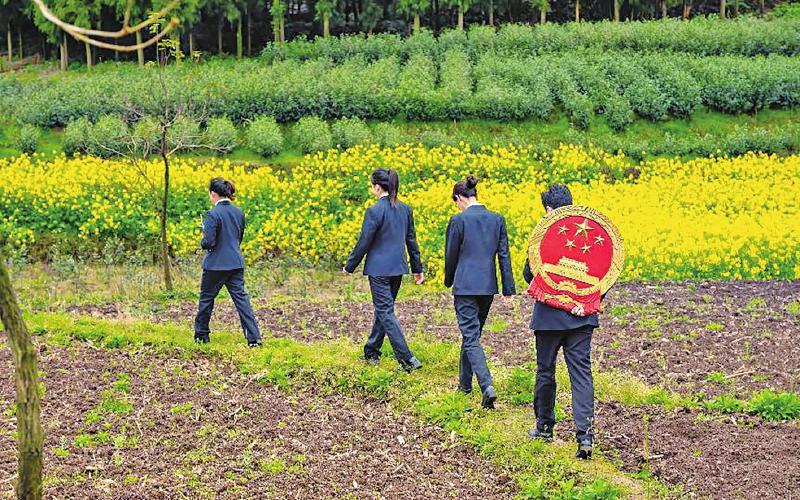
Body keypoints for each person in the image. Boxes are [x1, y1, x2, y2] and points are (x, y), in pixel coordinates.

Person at [524, 183, 598, 459]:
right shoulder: (591, 233)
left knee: (546, 371)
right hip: (581, 318)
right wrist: (581, 300)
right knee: (581, 374)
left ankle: (544, 427)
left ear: (548, 209)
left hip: (548, 318)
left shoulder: (543, 236)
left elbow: (528, 274)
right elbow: (604, 278)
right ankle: (585, 437)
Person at [444, 175, 516, 409]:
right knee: (471, 335)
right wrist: (508, 289)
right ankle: (464, 385)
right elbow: (504, 255)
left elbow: (451, 254)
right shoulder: (497, 219)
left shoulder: (458, 221)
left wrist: (448, 280)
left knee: (471, 336)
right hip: (487, 288)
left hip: (465, 286)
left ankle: (486, 385)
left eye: (455, 202)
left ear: (459, 198)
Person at [343, 169, 425, 373]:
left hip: (378, 270)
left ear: (377, 187)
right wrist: (417, 268)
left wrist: (350, 266)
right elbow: (411, 241)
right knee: (384, 310)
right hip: (397, 268)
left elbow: (364, 241)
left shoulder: (374, 210)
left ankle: (407, 359)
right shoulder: (405, 209)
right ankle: (372, 350)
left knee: (385, 311)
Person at [194, 177, 262, 348]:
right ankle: (254, 339)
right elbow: (238, 237)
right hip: (235, 263)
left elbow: (208, 243)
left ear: (213, 194)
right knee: (242, 300)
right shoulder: (239, 212)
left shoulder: (212, 214)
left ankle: (202, 336)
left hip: (215, 265)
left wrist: (203, 237)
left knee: (206, 299)